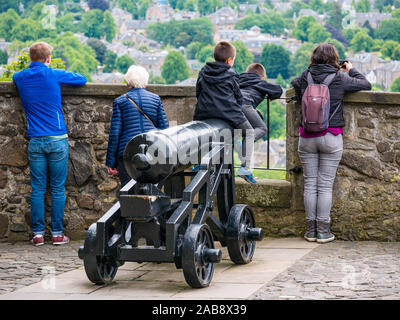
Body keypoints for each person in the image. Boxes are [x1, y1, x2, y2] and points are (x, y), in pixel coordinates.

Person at [291, 43, 371, 243]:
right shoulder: (339, 78)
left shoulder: (305, 76)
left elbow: (294, 83)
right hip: (331, 135)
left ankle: (310, 231)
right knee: (325, 185)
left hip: (307, 136)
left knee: (310, 183)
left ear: (314, 58)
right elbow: (365, 84)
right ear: (335, 59)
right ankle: (323, 231)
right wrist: (350, 69)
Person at [12, 42, 87, 246]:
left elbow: (14, 78)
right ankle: (56, 233)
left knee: (37, 189)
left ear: (30, 58)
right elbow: (82, 79)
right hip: (57, 139)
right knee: (57, 188)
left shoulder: (20, 77)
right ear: (48, 59)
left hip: (35, 139)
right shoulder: (54, 74)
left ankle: (37, 234)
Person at [193, 41, 256, 184]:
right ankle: (245, 167)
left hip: (204, 112)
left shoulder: (203, 71)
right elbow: (238, 97)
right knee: (249, 132)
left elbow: (198, 92)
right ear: (229, 60)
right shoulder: (231, 74)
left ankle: (200, 162)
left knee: (202, 135)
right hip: (229, 113)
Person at [106, 65, 169, 187]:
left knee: (129, 191)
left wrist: (111, 162)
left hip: (127, 153)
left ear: (128, 83)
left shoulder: (120, 101)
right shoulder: (155, 99)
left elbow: (115, 133)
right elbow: (164, 130)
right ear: (145, 81)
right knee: (153, 191)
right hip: (152, 150)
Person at [239, 62, 283, 151]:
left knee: (244, 131)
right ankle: (244, 153)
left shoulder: (239, 80)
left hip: (231, 106)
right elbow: (278, 90)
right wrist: (270, 95)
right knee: (261, 128)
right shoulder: (260, 83)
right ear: (262, 77)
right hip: (245, 105)